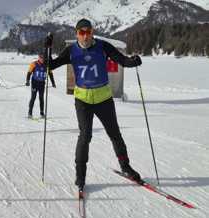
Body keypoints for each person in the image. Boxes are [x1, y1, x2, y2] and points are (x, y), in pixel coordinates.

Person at [47, 18, 143, 194]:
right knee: (85, 136)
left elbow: (122, 60)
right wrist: (48, 50)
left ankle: (126, 166)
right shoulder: (71, 51)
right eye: (81, 33)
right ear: (76, 34)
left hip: (103, 98)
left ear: (92, 32)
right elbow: (50, 65)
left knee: (115, 134)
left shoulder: (103, 46)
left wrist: (133, 61)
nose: (85, 36)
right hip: (83, 100)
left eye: (88, 32)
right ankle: (80, 176)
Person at [25, 53, 56, 118]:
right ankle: (30, 113)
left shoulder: (47, 65)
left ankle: (42, 113)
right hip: (35, 83)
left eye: (43, 58)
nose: (42, 59)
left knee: (41, 98)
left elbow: (50, 74)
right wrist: (27, 81)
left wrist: (53, 83)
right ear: (38, 58)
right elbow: (29, 73)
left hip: (42, 84)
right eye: (41, 58)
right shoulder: (34, 64)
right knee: (33, 97)